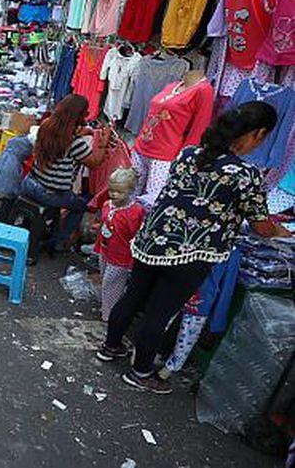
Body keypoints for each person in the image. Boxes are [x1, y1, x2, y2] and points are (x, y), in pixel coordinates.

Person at [97, 102, 291, 394]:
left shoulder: (189, 155)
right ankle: (140, 372)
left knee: (133, 297)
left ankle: (110, 347)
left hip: (152, 239)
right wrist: (282, 231)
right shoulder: (245, 174)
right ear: (257, 134)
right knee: (158, 313)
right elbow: (261, 227)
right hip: (191, 253)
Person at [20, 95, 109, 254]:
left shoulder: (46, 126)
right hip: (49, 194)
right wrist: (102, 143)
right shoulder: (74, 143)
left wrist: (84, 132)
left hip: (29, 183)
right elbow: (94, 162)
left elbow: (63, 136)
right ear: (78, 116)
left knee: (65, 200)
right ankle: (58, 241)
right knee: (81, 205)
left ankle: (38, 230)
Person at [94, 168, 145, 321]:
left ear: (130, 190)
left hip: (121, 255)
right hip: (105, 248)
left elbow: (137, 234)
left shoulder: (135, 212)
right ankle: (108, 306)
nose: (114, 194)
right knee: (106, 279)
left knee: (112, 283)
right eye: (111, 190)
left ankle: (109, 314)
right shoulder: (107, 205)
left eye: (119, 192)